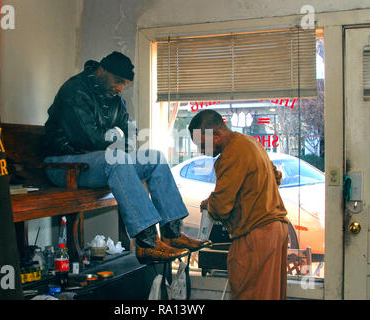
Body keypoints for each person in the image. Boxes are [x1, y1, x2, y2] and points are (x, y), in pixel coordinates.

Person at [43, 51, 211, 262]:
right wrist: (116, 142)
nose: (121, 88)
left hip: (96, 161)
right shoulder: (75, 91)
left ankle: (172, 234)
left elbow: (130, 135)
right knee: (118, 159)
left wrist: (117, 142)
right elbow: (89, 138)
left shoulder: (115, 99)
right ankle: (147, 243)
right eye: (118, 81)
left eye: (125, 83)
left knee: (154, 158)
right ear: (102, 71)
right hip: (64, 164)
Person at [188, 109, 289, 300]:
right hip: (277, 231)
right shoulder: (250, 143)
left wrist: (210, 205)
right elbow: (276, 177)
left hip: (256, 235)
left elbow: (221, 207)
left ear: (216, 135)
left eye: (202, 145)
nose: (201, 151)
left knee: (248, 293)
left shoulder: (231, 154)